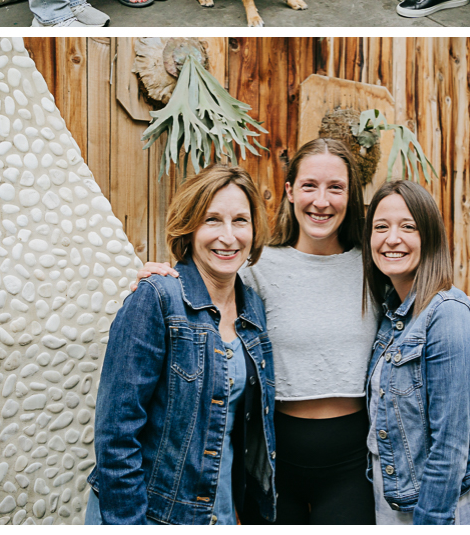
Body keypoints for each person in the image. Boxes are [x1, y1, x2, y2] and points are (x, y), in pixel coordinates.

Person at [135, 138, 378, 525]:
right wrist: (161, 274)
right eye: (310, 185)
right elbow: (207, 284)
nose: (322, 200)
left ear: (351, 196)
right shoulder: (257, 267)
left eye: (336, 187)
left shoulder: (373, 268)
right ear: (290, 191)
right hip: (271, 464)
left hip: (351, 466)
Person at [85, 163, 276, 525]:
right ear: (189, 228)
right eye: (212, 220)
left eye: (240, 220)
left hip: (215, 513)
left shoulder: (253, 309)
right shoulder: (157, 298)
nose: (228, 236)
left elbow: (238, 431)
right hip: (150, 515)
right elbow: (116, 436)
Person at [362, 179, 470, 525]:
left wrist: (431, 522)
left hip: (443, 511)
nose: (392, 238)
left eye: (408, 226)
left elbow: (450, 450)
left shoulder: (448, 314)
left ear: (430, 238)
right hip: (393, 505)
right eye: (381, 227)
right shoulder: (393, 316)